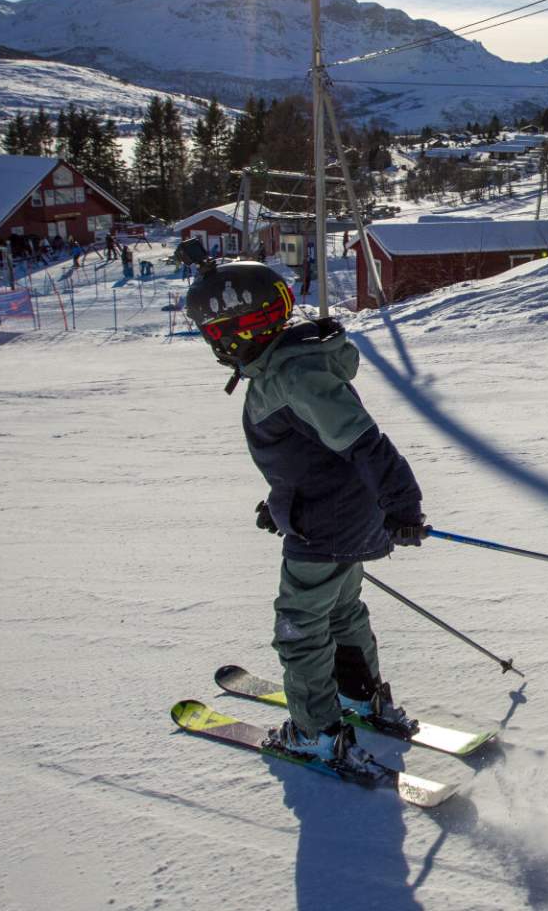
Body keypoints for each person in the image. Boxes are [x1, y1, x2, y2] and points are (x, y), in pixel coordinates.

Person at [180, 241, 426, 767]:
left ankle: (314, 729)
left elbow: (364, 442)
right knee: (341, 611)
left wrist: (403, 505)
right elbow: (310, 454)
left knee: (299, 627)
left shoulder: (292, 376)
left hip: (329, 528)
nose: (214, 344)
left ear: (240, 329)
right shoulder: (284, 366)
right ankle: (360, 694)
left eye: (215, 333)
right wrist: (282, 503)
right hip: (345, 517)